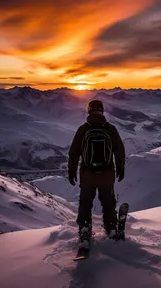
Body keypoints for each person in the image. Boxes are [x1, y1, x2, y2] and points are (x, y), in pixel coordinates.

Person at [68, 99, 125, 244]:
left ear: (89, 111)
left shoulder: (83, 129)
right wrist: (120, 168)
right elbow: (119, 151)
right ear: (102, 111)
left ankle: (85, 229)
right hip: (107, 175)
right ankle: (111, 227)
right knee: (108, 202)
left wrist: (72, 171)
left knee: (85, 203)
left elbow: (74, 152)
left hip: (87, 175)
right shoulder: (110, 129)